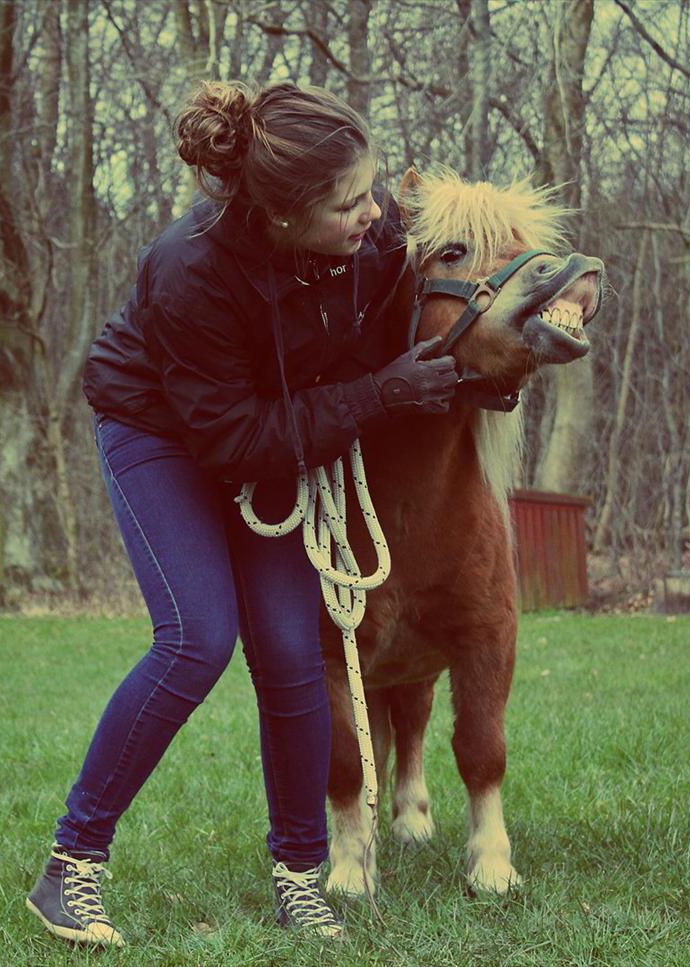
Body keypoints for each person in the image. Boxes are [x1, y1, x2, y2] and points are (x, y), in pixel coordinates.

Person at [26, 80, 458, 948]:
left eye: (371, 188)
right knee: (195, 637)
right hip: (167, 436)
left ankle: (300, 877)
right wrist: (379, 393)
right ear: (281, 217)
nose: (372, 213)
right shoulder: (189, 267)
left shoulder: (367, 239)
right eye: (346, 203)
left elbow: (444, 294)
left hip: (274, 431)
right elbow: (234, 441)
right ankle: (70, 867)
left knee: (295, 650)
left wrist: (526, 329)